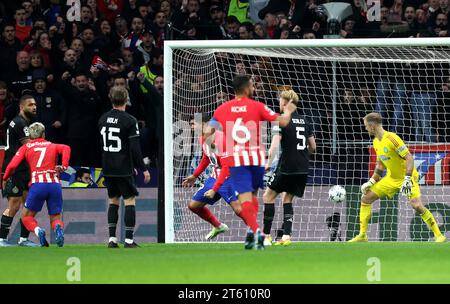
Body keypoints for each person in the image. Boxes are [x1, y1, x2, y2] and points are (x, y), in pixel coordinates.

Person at [211, 75, 297, 250]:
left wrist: (216, 144)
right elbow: (283, 121)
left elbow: (208, 133)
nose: (254, 87)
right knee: (255, 197)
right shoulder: (257, 106)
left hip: (237, 159)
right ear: (246, 88)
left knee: (246, 200)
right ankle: (254, 233)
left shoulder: (222, 109)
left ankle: (256, 232)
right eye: (252, 85)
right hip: (256, 158)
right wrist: (288, 109)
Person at [349, 112, 446, 243]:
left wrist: (407, 179)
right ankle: (362, 235)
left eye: (366, 126)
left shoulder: (392, 138)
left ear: (372, 126)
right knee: (366, 198)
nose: (365, 128)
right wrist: (371, 181)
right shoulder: (376, 142)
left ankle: (439, 235)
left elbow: (409, 158)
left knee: (416, 205)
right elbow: (380, 165)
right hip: (391, 178)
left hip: (408, 177)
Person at [183, 113, 263, 240]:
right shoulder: (202, 138)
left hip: (230, 176)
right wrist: (195, 175)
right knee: (193, 205)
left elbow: (226, 168)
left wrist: (214, 189)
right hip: (215, 176)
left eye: (194, 123)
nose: (192, 126)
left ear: (204, 124)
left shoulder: (221, 139)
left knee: (238, 209)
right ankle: (218, 226)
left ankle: (259, 234)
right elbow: (206, 157)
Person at [98, 86, 151, 248]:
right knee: (129, 200)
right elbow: (135, 148)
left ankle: (112, 239)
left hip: (107, 166)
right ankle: (128, 240)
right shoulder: (129, 120)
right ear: (126, 98)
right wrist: (144, 168)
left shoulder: (102, 118)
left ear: (111, 99)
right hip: (123, 167)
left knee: (113, 200)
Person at [2, 122, 71, 247]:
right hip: (54, 185)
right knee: (55, 218)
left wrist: (5, 178)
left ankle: (38, 231)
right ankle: (58, 229)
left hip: (38, 185)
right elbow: (66, 148)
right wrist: (64, 166)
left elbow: (12, 165)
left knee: (26, 217)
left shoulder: (26, 147)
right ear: (43, 134)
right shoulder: (52, 145)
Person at [263, 90, 316, 246]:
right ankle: (286, 236)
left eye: (280, 101)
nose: (279, 103)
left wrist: (268, 162)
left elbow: (274, 145)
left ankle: (266, 236)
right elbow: (313, 147)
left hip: (286, 166)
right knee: (287, 198)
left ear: (285, 103)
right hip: (303, 168)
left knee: (268, 196)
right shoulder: (306, 120)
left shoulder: (280, 120)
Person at [0, 95, 37, 247]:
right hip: (14, 169)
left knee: (28, 205)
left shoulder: (24, 123)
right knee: (14, 205)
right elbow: (30, 146)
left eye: (35, 104)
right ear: (22, 107)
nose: (34, 107)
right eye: (30, 105)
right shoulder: (20, 123)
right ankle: (1, 239)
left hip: (24, 170)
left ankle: (23, 239)